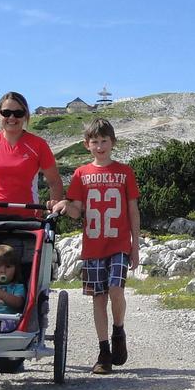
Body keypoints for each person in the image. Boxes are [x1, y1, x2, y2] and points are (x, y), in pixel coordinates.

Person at [53, 118, 141, 375]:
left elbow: (133, 210)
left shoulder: (125, 171)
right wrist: (64, 205)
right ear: (86, 145)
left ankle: (118, 330)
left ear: (112, 142)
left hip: (119, 243)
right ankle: (103, 350)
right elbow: (76, 211)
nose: (100, 146)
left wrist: (136, 246)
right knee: (98, 298)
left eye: (104, 141)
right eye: (95, 142)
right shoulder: (81, 174)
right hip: (93, 245)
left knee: (116, 289)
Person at [0, 92, 65, 214]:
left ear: (25, 116)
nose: (12, 118)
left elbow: (55, 182)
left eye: (18, 113)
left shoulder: (39, 145)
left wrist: (54, 204)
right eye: (6, 113)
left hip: (29, 218)